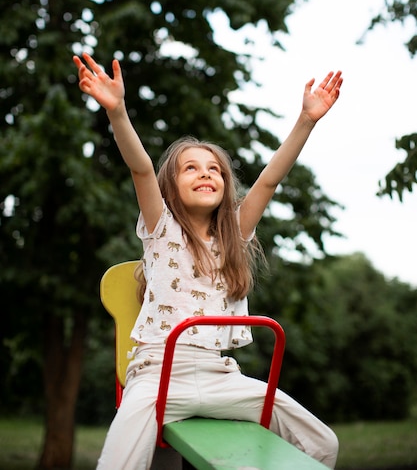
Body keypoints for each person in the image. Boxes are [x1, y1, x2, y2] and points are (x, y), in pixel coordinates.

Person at [73, 52, 343, 470]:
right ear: (171, 186)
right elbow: (142, 169)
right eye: (191, 169)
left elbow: (270, 179)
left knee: (321, 443)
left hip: (221, 378)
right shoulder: (161, 227)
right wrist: (118, 112)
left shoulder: (232, 234)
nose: (206, 174)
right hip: (158, 376)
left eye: (214, 169)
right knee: (117, 463)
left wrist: (306, 121)